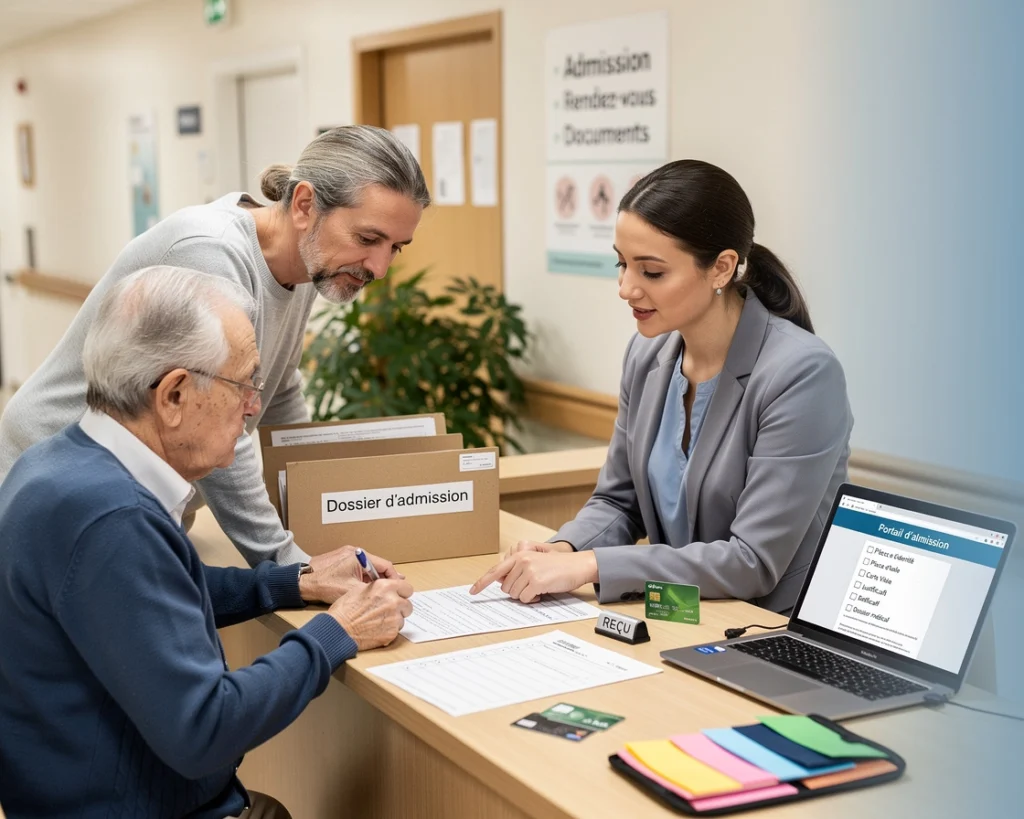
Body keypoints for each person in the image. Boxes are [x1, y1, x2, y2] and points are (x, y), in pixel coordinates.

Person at [0, 268, 414, 819]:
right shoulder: (111, 517)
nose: (252, 407)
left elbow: (151, 593)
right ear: (172, 394)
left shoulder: (57, 464)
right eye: (243, 384)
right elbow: (204, 729)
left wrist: (296, 581)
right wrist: (338, 632)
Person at [0, 125, 430, 567]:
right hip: (61, 479)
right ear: (305, 205)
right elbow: (214, 414)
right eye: (367, 239)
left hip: (129, 497)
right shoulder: (212, 252)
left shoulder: (307, 264)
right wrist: (292, 565)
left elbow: (278, 393)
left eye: (395, 247)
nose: (379, 267)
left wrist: (317, 512)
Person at [472, 160, 853, 613]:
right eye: (622, 263)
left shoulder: (802, 373)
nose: (625, 288)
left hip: (768, 629)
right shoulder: (648, 354)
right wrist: (566, 549)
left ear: (722, 268)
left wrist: (594, 566)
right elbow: (619, 501)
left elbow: (751, 562)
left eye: (651, 272)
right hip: (679, 614)